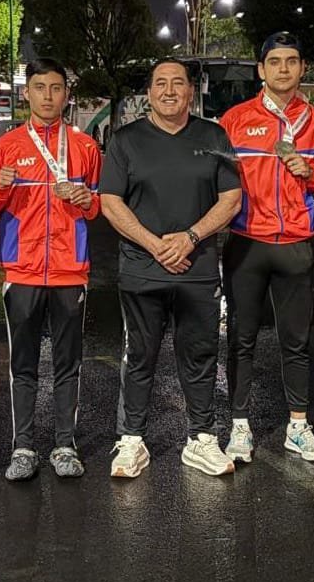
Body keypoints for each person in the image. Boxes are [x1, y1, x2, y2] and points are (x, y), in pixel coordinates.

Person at [100, 58, 242, 478]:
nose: (168, 91)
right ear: (149, 92)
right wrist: (154, 244)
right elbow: (110, 202)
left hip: (197, 269)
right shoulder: (125, 141)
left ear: (190, 91)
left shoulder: (214, 136)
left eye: (177, 83)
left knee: (200, 355)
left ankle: (201, 438)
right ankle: (131, 440)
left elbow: (231, 199)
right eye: (160, 83)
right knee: (139, 356)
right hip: (142, 270)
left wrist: (190, 238)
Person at [218, 31, 314, 464]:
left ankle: (298, 427)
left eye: (291, 61)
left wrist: (313, 173)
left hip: (295, 243)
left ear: (302, 68)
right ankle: (240, 426)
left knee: (296, 340)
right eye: (274, 62)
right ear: (261, 70)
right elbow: (218, 180)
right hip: (247, 242)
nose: (283, 69)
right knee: (241, 338)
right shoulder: (235, 119)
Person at [0, 58, 102, 481]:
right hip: (23, 270)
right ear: (27, 93)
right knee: (23, 365)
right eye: (40, 88)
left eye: (56, 88)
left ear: (67, 94)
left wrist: (86, 200)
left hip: (70, 270)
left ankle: (65, 444)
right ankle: (22, 447)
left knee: (68, 363)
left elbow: (98, 206)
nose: (48, 96)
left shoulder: (85, 146)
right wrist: (0, 186)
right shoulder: (8, 145)